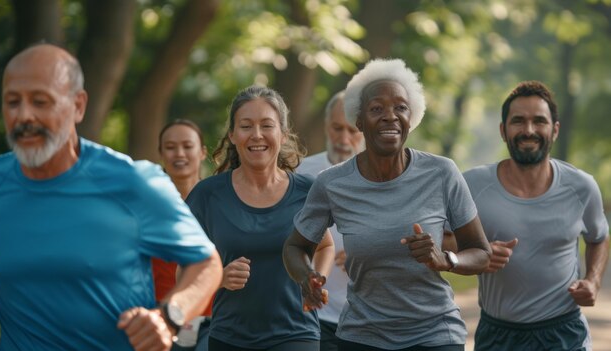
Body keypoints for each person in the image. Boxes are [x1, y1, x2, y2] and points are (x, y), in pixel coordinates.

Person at [0, 43, 222, 351]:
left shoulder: (133, 183)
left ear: (78, 105)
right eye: (12, 102)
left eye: (41, 102)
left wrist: (168, 317)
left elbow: (206, 263)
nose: (23, 115)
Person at [283, 58, 492, 351]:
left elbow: (482, 253)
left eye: (400, 108)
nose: (390, 116)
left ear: (412, 117)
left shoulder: (441, 173)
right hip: (362, 336)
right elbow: (295, 247)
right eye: (376, 108)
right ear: (359, 120)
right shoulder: (332, 183)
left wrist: (445, 259)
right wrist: (307, 277)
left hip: (434, 334)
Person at [185, 85, 334, 351]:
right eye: (246, 126)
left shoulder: (307, 191)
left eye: (267, 125)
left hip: (296, 333)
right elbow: (184, 271)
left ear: (283, 133)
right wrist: (219, 277)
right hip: (230, 336)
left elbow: (325, 245)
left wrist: (315, 279)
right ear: (232, 135)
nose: (257, 135)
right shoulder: (207, 195)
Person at [463, 81, 610, 351]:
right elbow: (441, 240)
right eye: (518, 121)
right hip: (498, 335)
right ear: (503, 131)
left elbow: (599, 237)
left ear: (554, 130)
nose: (528, 130)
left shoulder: (581, 187)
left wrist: (593, 280)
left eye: (539, 121)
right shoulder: (472, 186)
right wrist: (478, 251)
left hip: (563, 333)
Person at [296, 90, 364, 351]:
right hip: (315, 314)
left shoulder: (386, 179)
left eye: (352, 130)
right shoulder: (300, 173)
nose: (343, 139)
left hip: (367, 317)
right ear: (326, 126)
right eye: (337, 128)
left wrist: (367, 254)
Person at [154, 119, 212, 351]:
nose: (179, 153)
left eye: (188, 146)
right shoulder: (147, 204)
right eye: (170, 147)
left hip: (213, 317)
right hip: (162, 317)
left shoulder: (220, 201)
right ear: (161, 153)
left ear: (202, 152)